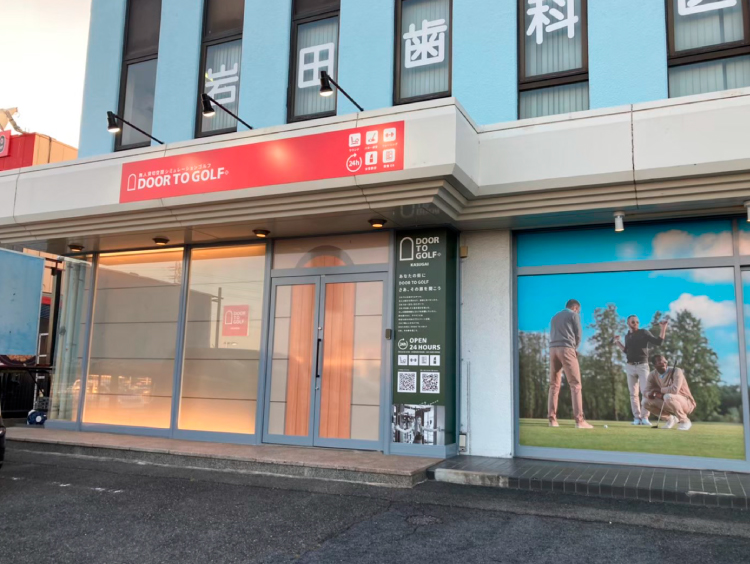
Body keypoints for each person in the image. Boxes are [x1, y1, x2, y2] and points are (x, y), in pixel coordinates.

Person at [613, 315, 669, 426]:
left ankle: (644, 418)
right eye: (633, 322)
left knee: (646, 392)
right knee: (633, 394)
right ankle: (637, 418)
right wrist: (617, 342)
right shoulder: (627, 336)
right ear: (628, 323)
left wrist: (663, 328)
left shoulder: (644, 332)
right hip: (630, 367)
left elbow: (659, 342)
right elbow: (626, 351)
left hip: (642, 366)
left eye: (637, 322)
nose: (636, 324)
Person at [548, 299, 593, 429]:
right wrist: (575, 348)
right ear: (575, 308)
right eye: (578, 310)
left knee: (554, 385)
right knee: (575, 384)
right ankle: (579, 421)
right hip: (566, 348)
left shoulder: (554, 317)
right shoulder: (574, 315)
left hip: (553, 350)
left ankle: (552, 420)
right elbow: (578, 334)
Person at [643, 354, 696, 431]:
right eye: (660, 362)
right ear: (655, 365)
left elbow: (675, 390)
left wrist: (658, 390)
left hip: (687, 402)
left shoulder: (677, 371)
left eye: (665, 361)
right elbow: (645, 391)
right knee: (645, 402)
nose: (664, 363)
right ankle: (670, 419)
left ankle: (685, 421)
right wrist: (649, 394)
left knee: (668, 396)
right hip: (667, 400)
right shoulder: (652, 375)